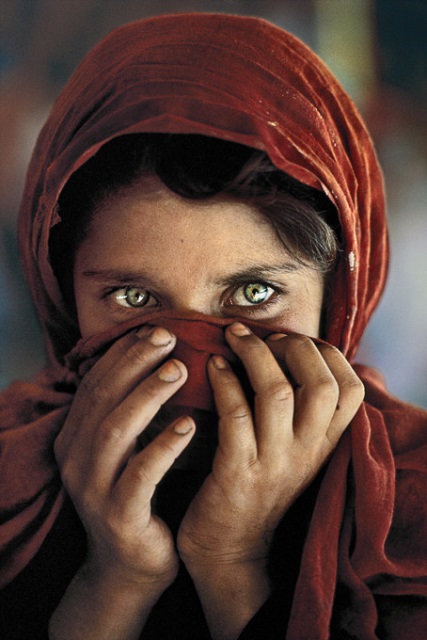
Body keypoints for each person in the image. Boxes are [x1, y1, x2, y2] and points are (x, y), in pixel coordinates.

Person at [0, 13, 425, 640]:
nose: (194, 360)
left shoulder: (409, 514)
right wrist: (113, 579)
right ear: (61, 291)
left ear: (340, 297)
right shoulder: (12, 492)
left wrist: (233, 565)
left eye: (255, 295)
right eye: (133, 296)